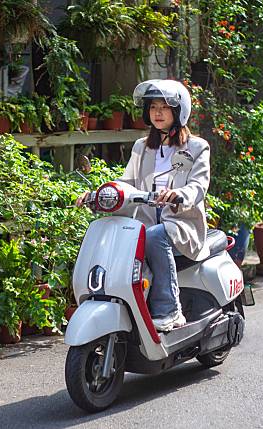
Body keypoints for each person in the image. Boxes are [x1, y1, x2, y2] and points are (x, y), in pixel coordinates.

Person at [76, 80, 211, 331]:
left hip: (181, 225)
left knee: (155, 235)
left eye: (165, 107)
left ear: (179, 111)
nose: (158, 113)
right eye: (152, 107)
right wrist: (98, 194)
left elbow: (199, 185)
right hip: (145, 222)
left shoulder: (196, 147)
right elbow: (126, 182)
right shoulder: (141, 146)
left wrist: (179, 195)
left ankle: (170, 310)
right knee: (126, 235)